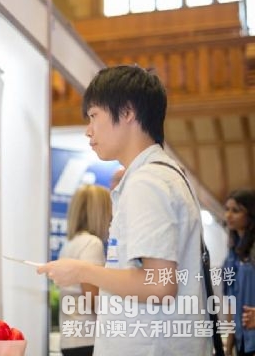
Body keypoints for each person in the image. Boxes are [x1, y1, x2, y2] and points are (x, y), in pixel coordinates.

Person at [38, 65, 210, 355]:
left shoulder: (148, 181)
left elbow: (159, 286)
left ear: (127, 112)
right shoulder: (157, 175)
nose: (88, 130)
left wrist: (82, 270)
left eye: (94, 115)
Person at [58, 184, 112, 356]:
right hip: (88, 340)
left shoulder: (70, 245)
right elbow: (93, 299)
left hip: (71, 339)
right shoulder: (92, 244)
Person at [222, 189, 255, 356]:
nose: (228, 215)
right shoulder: (231, 255)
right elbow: (231, 302)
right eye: (227, 209)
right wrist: (229, 344)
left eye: (235, 210)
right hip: (241, 338)